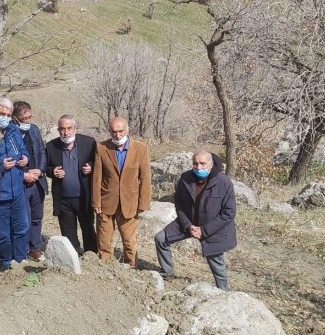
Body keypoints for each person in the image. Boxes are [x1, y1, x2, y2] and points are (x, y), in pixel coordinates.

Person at [154, 151, 237, 290]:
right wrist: (188, 225)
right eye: (195, 163)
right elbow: (179, 204)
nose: (198, 167)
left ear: (211, 164)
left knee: (216, 263)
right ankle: (167, 272)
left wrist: (204, 230)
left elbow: (229, 212)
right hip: (189, 222)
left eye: (202, 164)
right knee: (160, 238)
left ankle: (223, 292)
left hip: (213, 227)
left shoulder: (223, 182)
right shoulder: (186, 178)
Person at [91, 116, 152, 268]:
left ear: (127, 130)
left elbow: (145, 178)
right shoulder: (102, 148)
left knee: (129, 241)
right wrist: (96, 201)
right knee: (104, 239)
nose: (117, 135)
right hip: (106, 201)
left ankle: (131, 267)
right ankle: (105, 267)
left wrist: (144, 203)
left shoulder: (141, 149)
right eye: (113, 132)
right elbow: (96, 177)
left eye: (120, 131)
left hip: (130, 203)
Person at [45, 114, 97, 254]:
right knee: (68, 231)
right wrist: (52, 171)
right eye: (62, 129)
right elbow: (46, 167)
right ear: (58, 129)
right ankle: (72, 256)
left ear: (75, 128)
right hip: (63, 199)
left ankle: (91, 256)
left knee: (88, 228)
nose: (66, 132)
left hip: (83, 197)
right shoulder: (51, 146)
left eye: (69, 128)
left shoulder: (89, 143)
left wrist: (91, 167)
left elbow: (98, 162)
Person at [0, 97, 30, 270]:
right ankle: (6, 262)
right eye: (1, 113)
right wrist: (0, 166)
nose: (4, 117)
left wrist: (25, 157)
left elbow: (23, 149)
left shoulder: (13, 129)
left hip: (17, 189)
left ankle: (20, 258)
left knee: (22, 226)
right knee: (2, 233)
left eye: (7, 114)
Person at [12, 101, 48, 261]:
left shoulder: (33, 130)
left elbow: (41, 151)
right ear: (15, 118)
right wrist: (24, 174)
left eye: (29, 117)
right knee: (23, 219)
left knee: (36, 217)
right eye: (24, 118)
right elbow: (6, 162)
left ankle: (35, 247)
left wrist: (39, 170)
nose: (28, 121)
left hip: (37, 182)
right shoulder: (8, 134)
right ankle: (22, 250)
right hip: (21, 184)